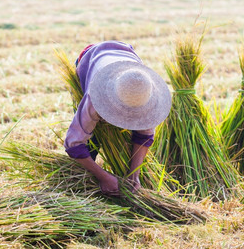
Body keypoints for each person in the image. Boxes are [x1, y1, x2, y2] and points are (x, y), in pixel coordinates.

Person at [64, 41, 171, 196]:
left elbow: (145, 136)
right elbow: (73, 144)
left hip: (126, 54)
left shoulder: (146, 95)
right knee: (91, 143)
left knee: (129, 143)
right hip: (91, 57)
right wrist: (103, 177)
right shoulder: (94, 97)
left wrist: (134, 174)